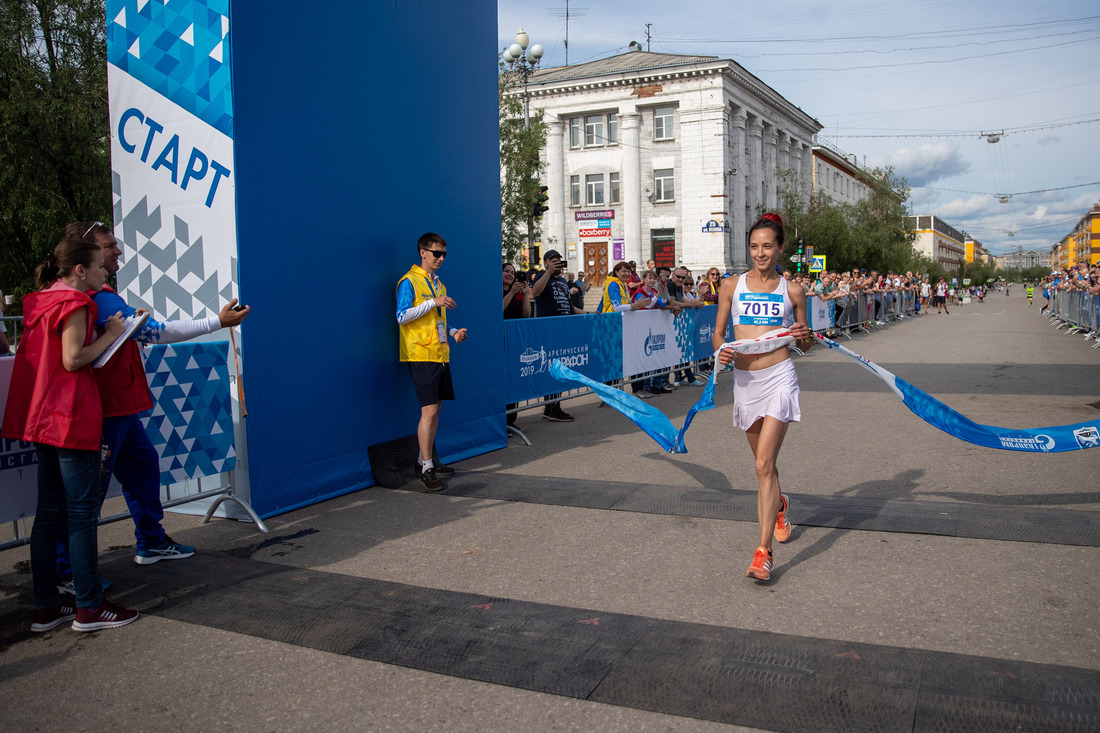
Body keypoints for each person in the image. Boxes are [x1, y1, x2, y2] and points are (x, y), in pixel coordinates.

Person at [56, 221, 249, 573]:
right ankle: (67, 573)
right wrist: (216, 322)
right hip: (104, 411)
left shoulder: (100, 294)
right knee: (88, 497)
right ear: (85, 258)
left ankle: (150, 540)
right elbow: (155, 332)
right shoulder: (99, 298)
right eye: (108, 246)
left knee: (143, 470)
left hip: (121, 408)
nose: (117, 252)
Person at [2, 238, 140, 631]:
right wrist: (112, 334)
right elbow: (73, 357)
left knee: (48, 513)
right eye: (99, 266)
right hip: (69, 415)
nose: (104, 272)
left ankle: (48, 605)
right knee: (80, 515)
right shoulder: (76, 302)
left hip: (43, 415)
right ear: (80, 270)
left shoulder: (41, 300)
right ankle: (89, 607)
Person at [713, 213, 812, 582]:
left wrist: (803, 333)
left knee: (762, 466)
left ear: (780, 248)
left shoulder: (793, 290)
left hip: (779, 378)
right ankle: (780, 504)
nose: (760, 252)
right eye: (754, 246)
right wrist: (721, 351)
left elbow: (805, 340)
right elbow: (718, 334)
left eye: (768, 245)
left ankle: (763, 552)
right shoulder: (730, 286)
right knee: (764, 465)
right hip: (745, 383)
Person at [396, 232, 467, 491]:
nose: (441, 258)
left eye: (444, 254)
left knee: (436, 411)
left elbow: (437, 320)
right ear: (422, 252)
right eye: (436, 253)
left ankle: (424, 460)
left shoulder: (438, 284)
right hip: (419, 353)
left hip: (439, 353)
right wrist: (432, 302)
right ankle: (426, 467)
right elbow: (402, 316)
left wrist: (452, 332)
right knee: (430, 411)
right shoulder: (409, 281)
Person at [531, 249, 581, 422]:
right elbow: (535, 293)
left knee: (560, 367)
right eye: (553, 260)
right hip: (548, 329)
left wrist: (589, 313)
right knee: (552, 367)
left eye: (559, 261)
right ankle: (550, 407)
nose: (557, 263)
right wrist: (547, 273)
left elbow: (570, 307)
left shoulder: (561, 281)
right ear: (545, 263)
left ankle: (555, 406)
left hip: (563, 329)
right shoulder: (541, 276)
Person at [502, 263, 529, 427]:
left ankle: (511, 419)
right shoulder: (497, 290)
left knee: (514, 380)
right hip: (501, 341)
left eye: (512, 272)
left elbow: (526, 315)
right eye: (506, 271)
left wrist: (525, 295)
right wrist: (511, 292)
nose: (510, 275)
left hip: (515, 342)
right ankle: (502, 420)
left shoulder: (517, 293)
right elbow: (498, 310)